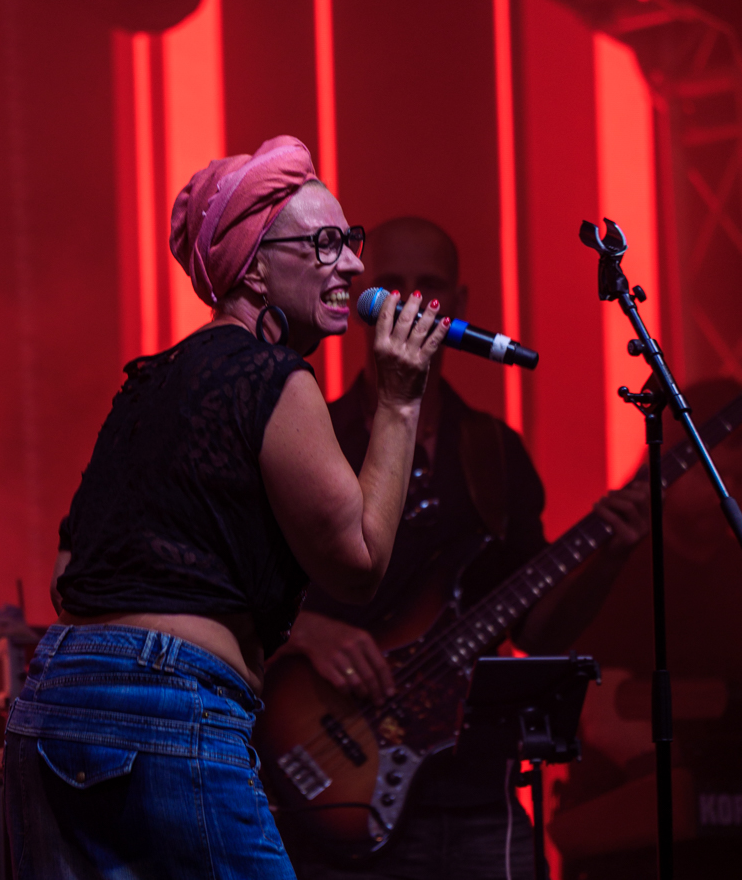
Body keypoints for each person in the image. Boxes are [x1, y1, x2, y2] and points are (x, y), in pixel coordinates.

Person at [3, 138, 450, 880]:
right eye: (326, 244)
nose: (352, 265)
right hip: (170, 702)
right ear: (254, 267)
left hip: (51, 702)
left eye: (351, 241)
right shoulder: (271, 377)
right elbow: (360, 563)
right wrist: (400, 400)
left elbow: (67, 573)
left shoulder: (145, 385)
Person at [278, 216, 649, 880]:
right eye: (392, 284)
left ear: (459, 303)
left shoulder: (493, 452)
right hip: (337, 790)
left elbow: (537, 631)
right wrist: (306, 631)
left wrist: (608, 557)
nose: (412, 302)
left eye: (430, 285)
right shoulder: (315, 436)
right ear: (364, 299)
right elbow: (237, 597)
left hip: (477, 793)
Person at [552, 377, 742, 880]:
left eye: (737, 478)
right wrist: (672, 772)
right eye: (713, 472)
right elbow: (595, 706)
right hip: (624, 840)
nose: (726, 489)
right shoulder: (611, 569)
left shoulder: (734, 571)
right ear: (669, 463)